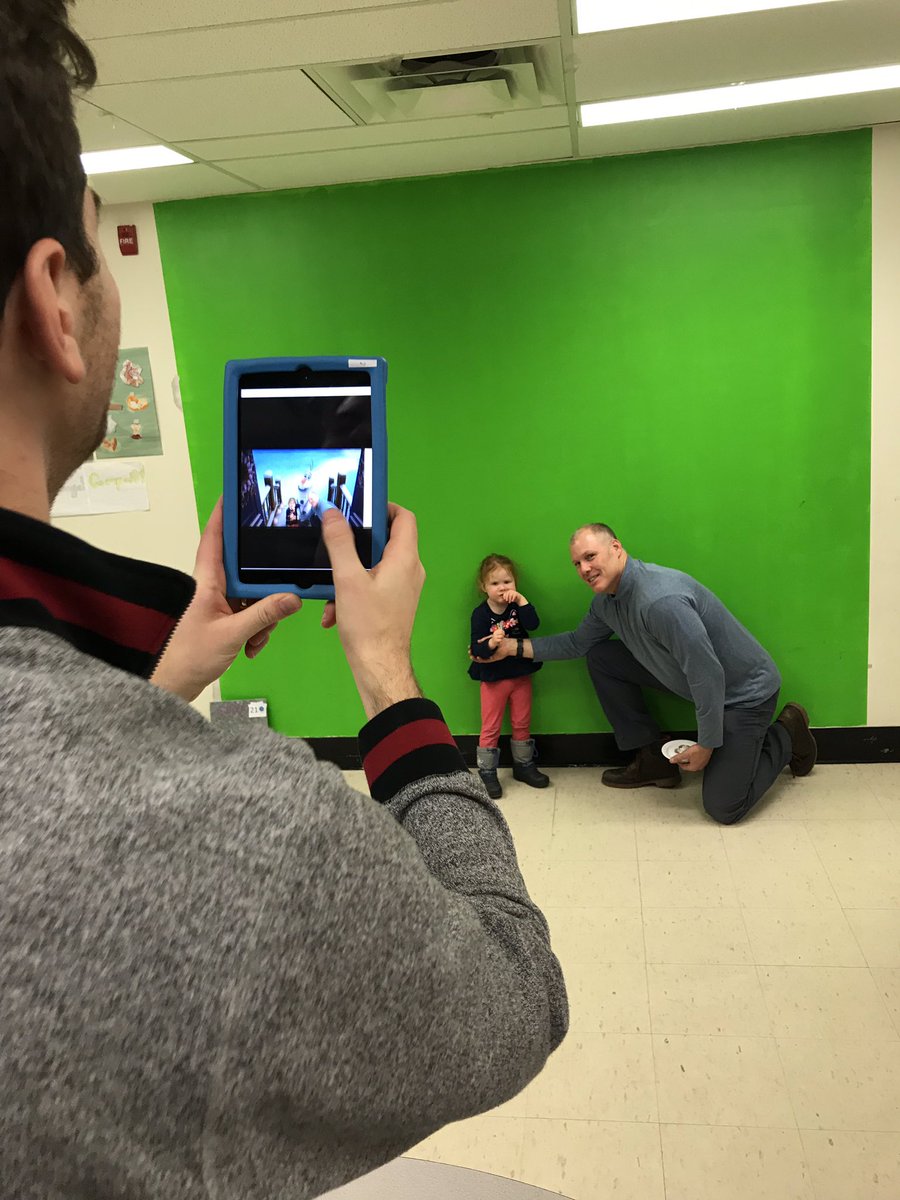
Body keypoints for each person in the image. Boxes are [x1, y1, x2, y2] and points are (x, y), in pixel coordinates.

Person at [0, 6, 567, 1197]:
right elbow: (511, 995)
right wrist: (389, 681)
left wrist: (157, 695)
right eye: (102, 245)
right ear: (57, 298)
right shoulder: (244, 838)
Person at [480, 523, 816, 825]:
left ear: (616, 548)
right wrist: (511, 647)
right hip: (688, 678)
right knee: (602, 656)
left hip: (744, 694)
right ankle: (653, 760)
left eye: (590, 556)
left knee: (724, 807)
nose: (584, 568)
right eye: (577, 563)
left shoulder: (660, 601)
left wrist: (708, 744)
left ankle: (788, 731)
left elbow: (707, 674)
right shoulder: (607, 603)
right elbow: (577, 643)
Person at [468, 554, 549, 798]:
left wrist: (522, 601)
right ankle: (487, 771)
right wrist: (492, 642)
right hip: (494, 679)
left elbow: (533, 624)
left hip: (521, 674)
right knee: (490, 726)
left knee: (522, 722)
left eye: (507, 581)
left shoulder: (517, 607)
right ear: (484, 587)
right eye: (495, 583)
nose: (502, 588)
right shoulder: (481, 614)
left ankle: (523, 765)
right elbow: (476, 650)